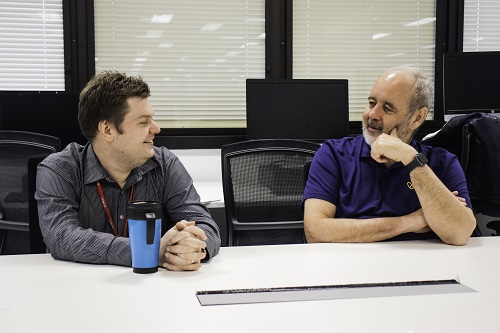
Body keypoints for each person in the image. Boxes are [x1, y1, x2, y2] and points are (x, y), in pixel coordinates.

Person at [35, 70, 221, 270]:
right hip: (83, 290)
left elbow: (205, 226)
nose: (156, 129)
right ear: (107, 130)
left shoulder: (165, 164)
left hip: (156, 290)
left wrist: (192, 247)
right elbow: (61, 236)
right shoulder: (60, 169)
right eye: (144, 122)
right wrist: (147, 252)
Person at [303, 65, 476, 246]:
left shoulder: (443, 163)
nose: (373, 114)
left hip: (421, 267)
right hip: (352, 266)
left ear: (417, 118)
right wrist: (410, 222)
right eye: (371, 103)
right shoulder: (333, 154)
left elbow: (460, 233)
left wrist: (411, 159)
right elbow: (315, 231)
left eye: (387, 108)